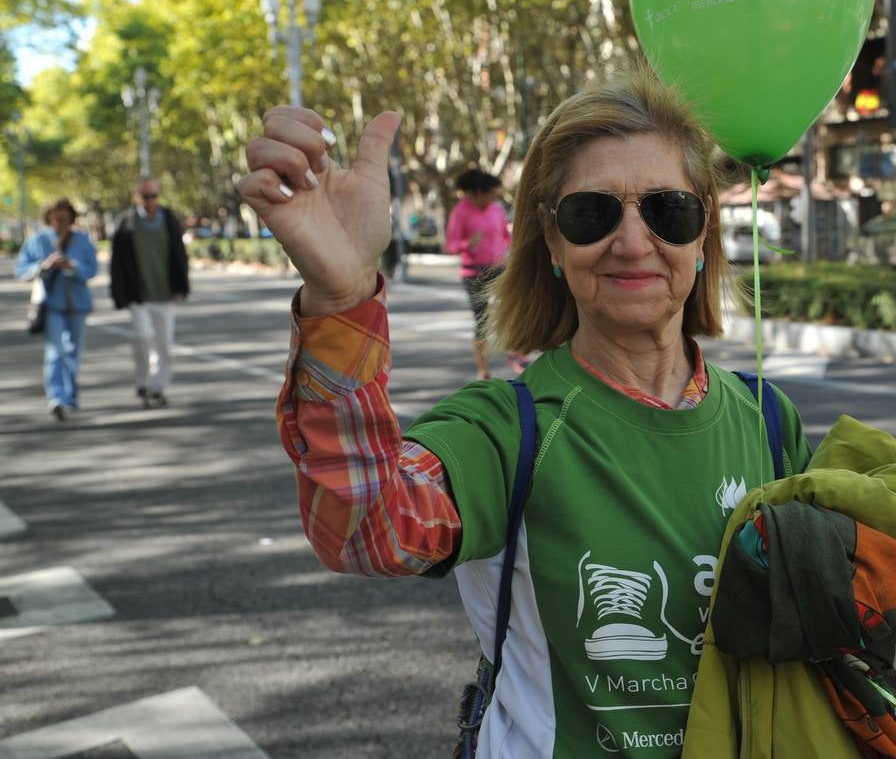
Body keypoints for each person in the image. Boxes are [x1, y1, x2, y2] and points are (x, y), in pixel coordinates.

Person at [238, 67, 814, 757]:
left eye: (668, 210)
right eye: (593, 214)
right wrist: (340, 303)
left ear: (703, 235)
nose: (633, 243)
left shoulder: (768, 419)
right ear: (550, 239)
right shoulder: (508, 428)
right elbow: (367, 530)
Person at [110, 177, 190, 408]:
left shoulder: (168, 219)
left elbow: (179, 254)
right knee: (143, 339)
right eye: (146, 196)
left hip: (164, 294)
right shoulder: (126, 222)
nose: (150, 201)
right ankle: (143, 382)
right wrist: (119, 293)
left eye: (154, 195)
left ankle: (158, 387)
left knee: (164, 344)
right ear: (136, 196)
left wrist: (182, 286)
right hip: (138, 296)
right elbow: (117, 263)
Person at [16, 198, 99, 421]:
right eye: (55, 218)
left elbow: (92, 270)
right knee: (55, 353)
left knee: (73, 352)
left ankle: (70, 396)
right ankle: (57, 398)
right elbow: (21, 270)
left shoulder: (82, 240)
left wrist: (73, 266)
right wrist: (43, 266)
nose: (60, 223)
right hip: (51, 304)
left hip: (78, 304)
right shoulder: (39, 239)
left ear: (71, 218)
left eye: (64, 218)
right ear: (48, 219)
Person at [444, 168, 529, 379]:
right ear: (477, 193)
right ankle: (483, 370)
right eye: (491, 194)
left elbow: (504, 237)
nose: (495, 197)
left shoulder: (496, 210)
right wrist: (467, 244)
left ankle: (516, 352)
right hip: (474, 272)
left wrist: (511, 251)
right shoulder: (460, 212)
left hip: (499, 267)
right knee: (482, 321)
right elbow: (451, 245)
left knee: (513, 308)